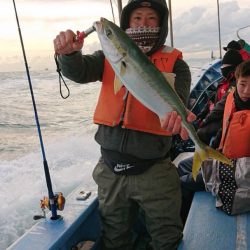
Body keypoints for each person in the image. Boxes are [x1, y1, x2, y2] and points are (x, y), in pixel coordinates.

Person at [53, 0, 195, 249]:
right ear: (128, 22)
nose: (143, 23)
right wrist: (69, 55)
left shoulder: (176, 64)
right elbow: (79, 71)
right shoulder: (108, 57)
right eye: (137, 17)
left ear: (161, 24)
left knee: (167, 238)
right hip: (110, 169)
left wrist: (177, 118)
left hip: (155, 171)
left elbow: (179, 99)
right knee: (114, 238)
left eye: (151, 18)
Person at [178, 60, 250, 223]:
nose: (247, 91)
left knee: (182, 183)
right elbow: (214, 122)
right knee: (183, 166)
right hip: (224, 156)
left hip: (240, 170)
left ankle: (183, 224)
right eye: (243, 84)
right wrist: (202, 146)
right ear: (236, 81)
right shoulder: (231, 98)